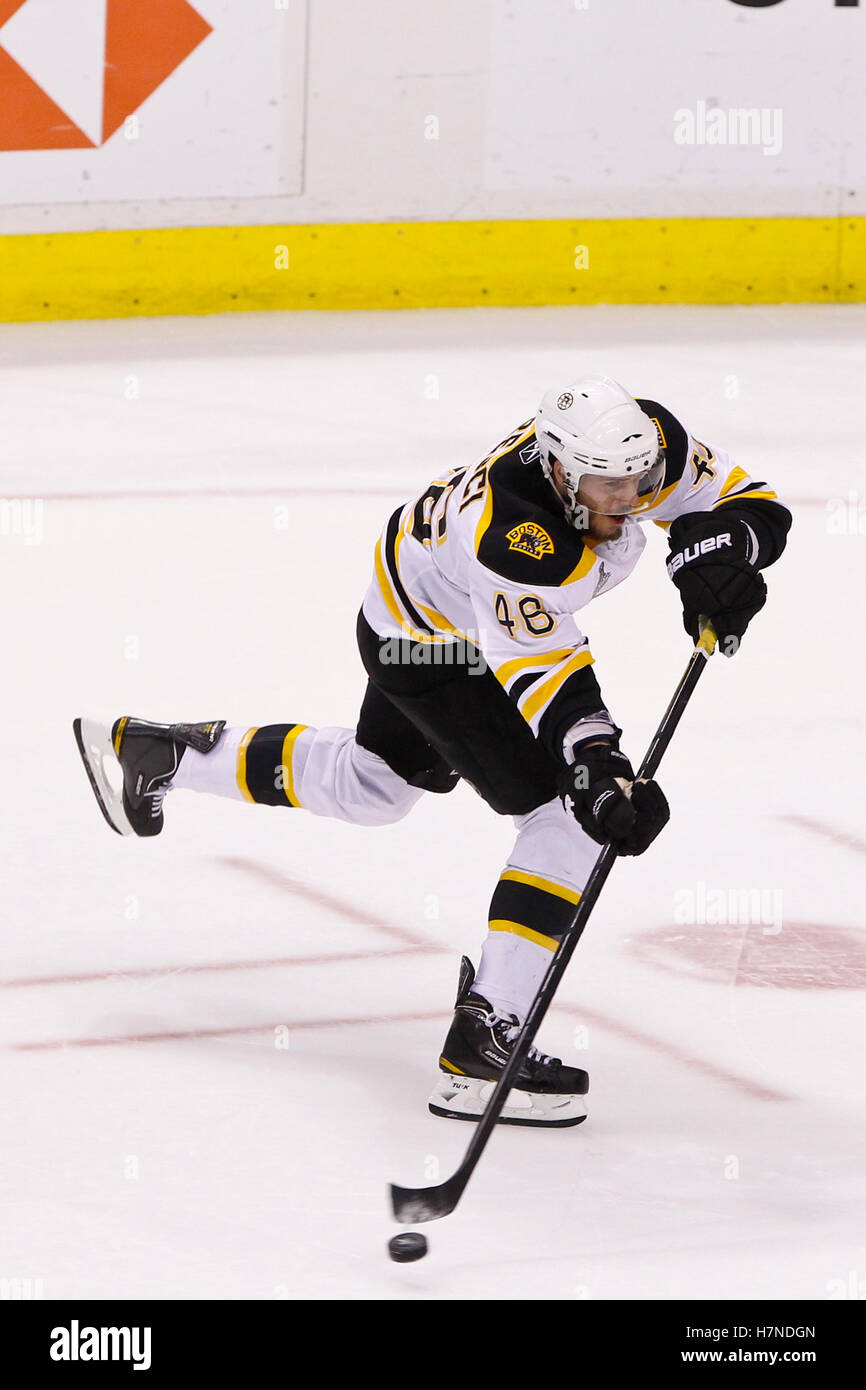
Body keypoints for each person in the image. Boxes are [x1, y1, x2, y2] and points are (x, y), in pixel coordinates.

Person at [74, 375, 791, 1128]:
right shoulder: (517, 539)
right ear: (557, 468)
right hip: (433, 650)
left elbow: (752, 502)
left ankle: (162, 754)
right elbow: (548, 679)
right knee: (567, 816)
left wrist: (718, 553)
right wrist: (601, 771)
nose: (627, 496)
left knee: (370, 787)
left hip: (410, 603)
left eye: (638, 480)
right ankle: (485, 1040)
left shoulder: (643, 443)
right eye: (606, 483)